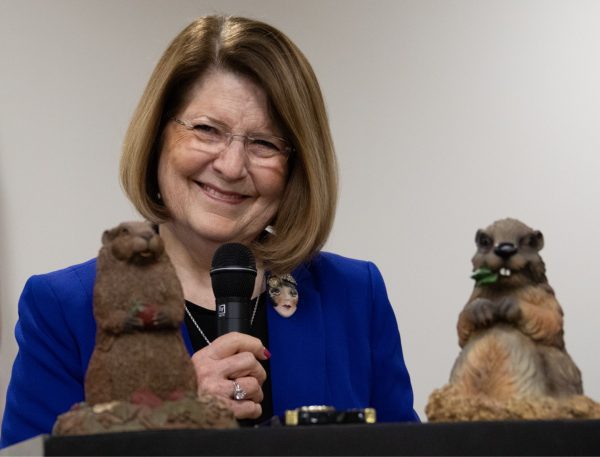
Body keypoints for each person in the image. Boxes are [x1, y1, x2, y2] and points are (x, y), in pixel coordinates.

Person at [0, 15, 418, 448]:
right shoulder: (64, 307)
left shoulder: (353, 295)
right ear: (158, 136)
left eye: (265, 143)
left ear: (296, 167)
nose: (231, 166)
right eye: (206, 130)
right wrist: (170, 412)